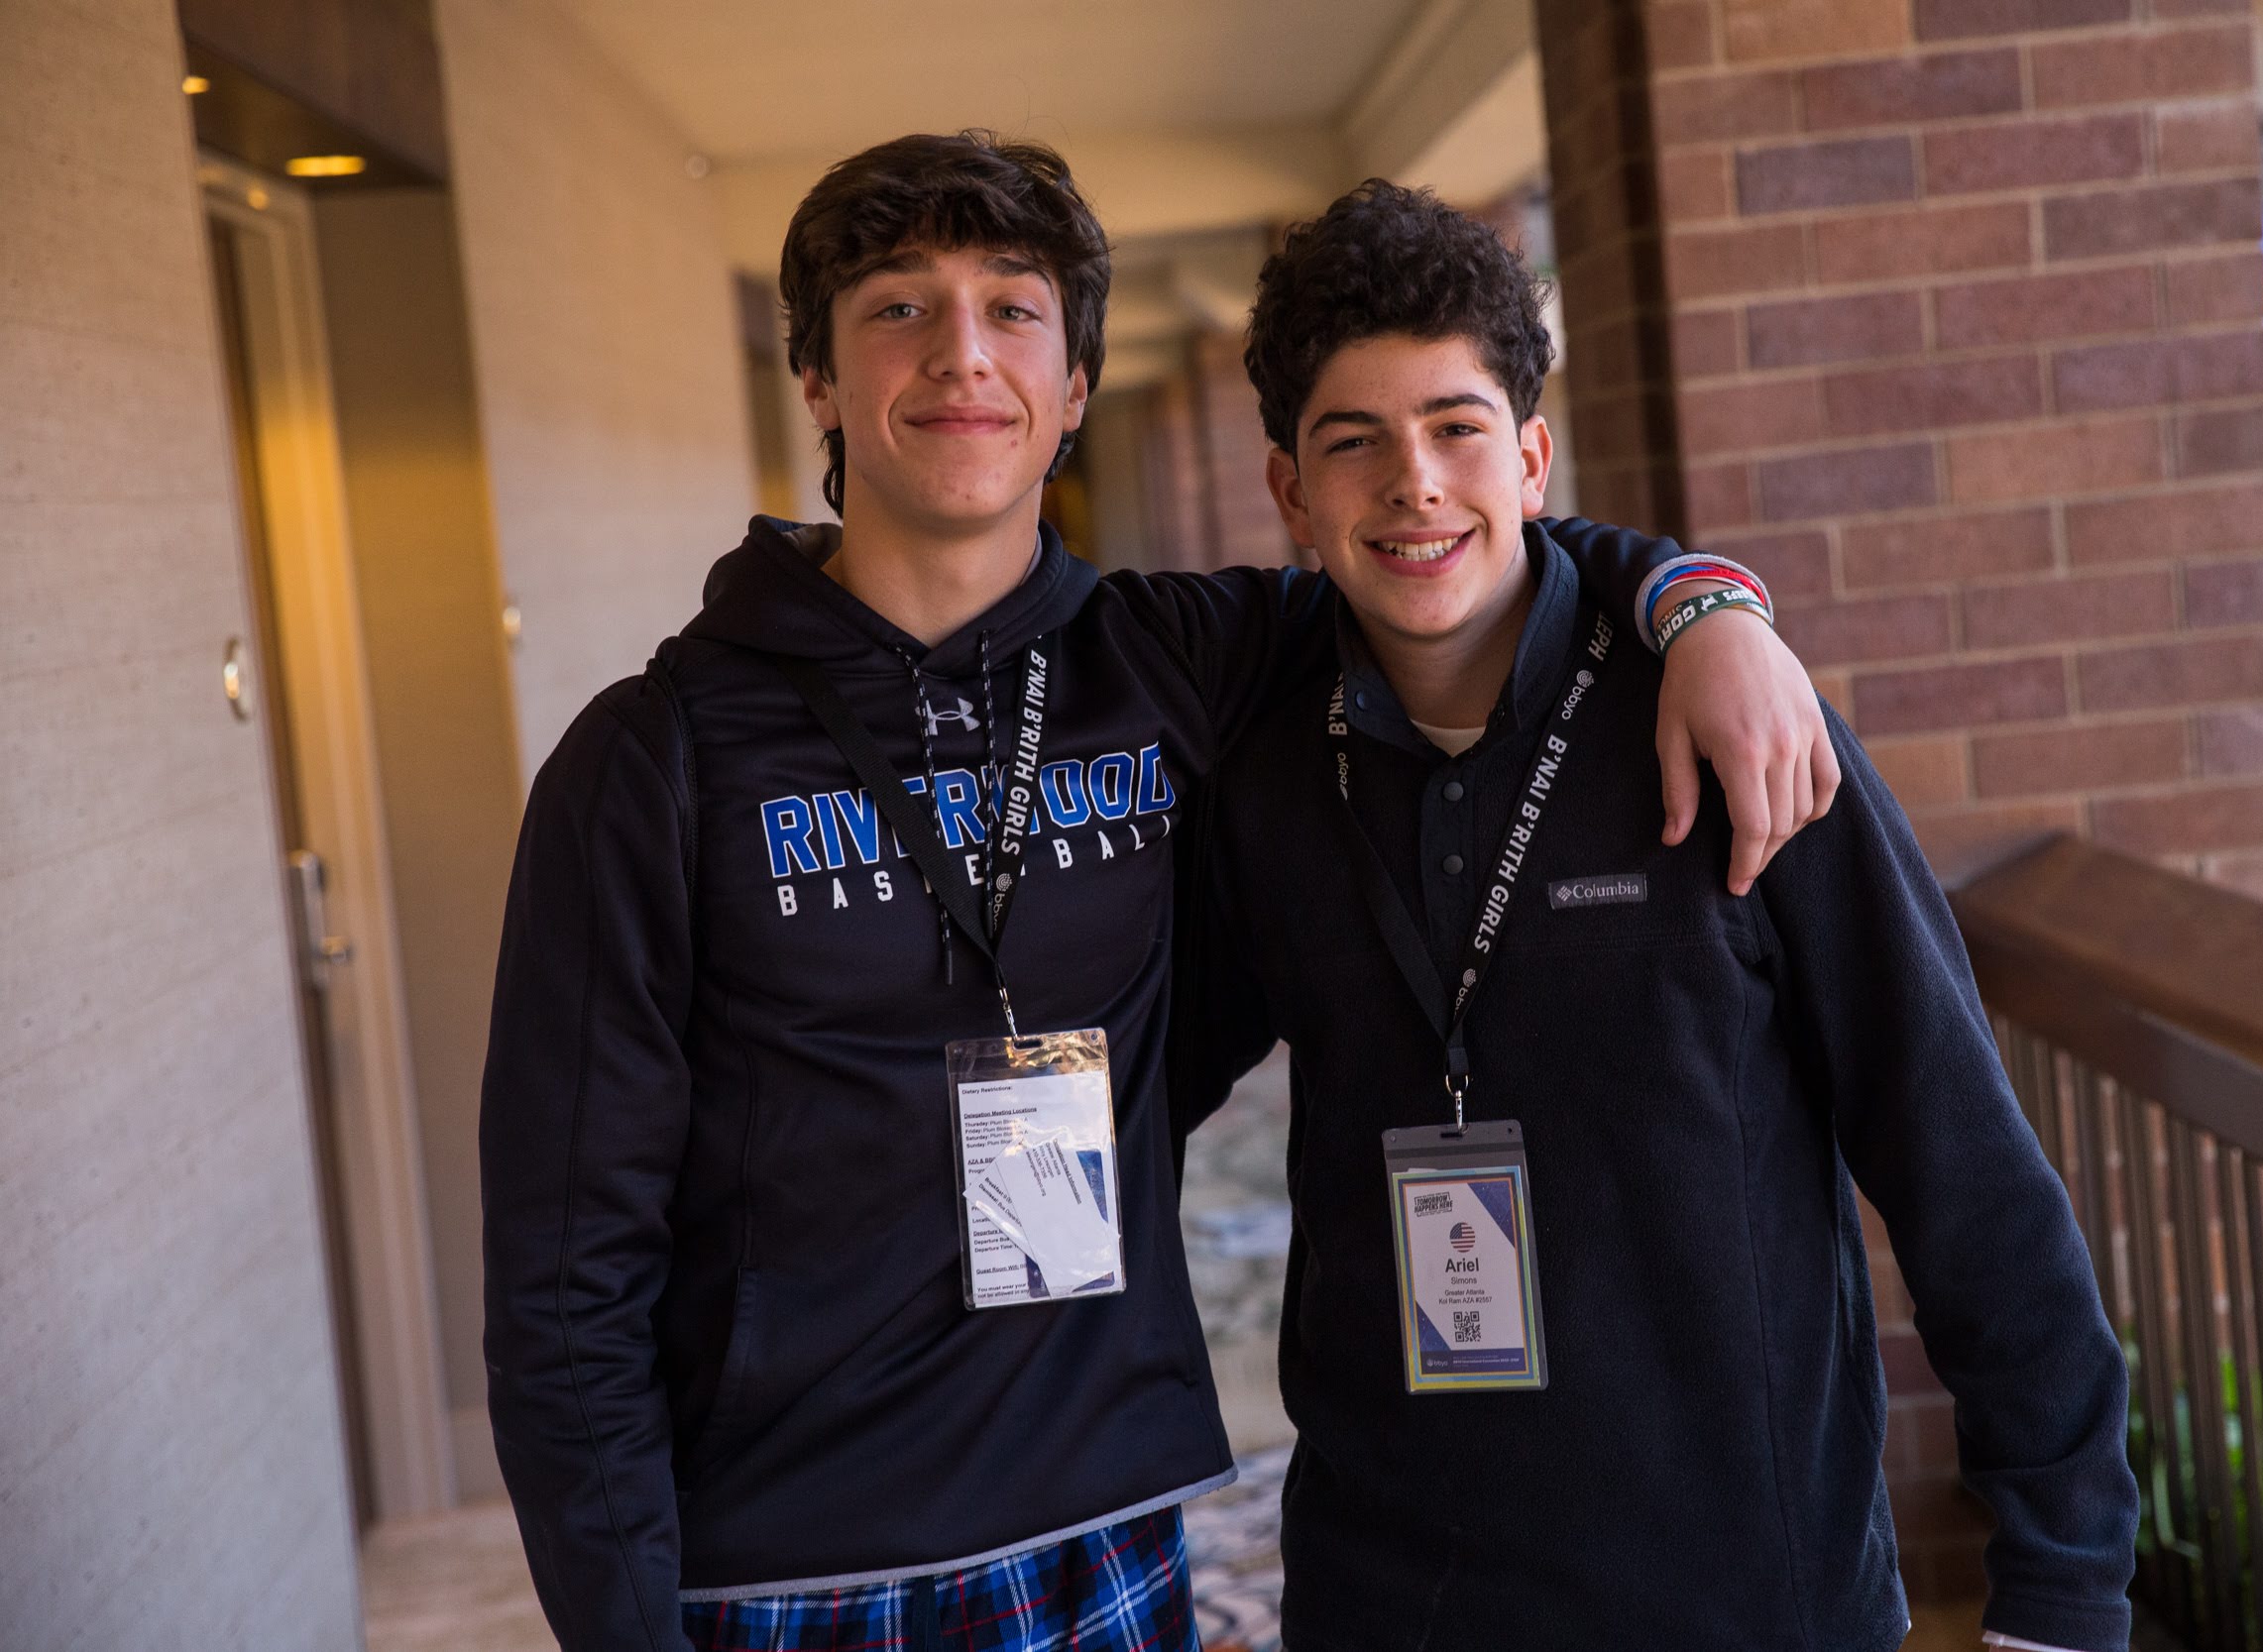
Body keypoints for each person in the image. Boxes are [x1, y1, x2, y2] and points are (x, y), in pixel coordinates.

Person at [479, 133, 1837, 1652]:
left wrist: (1700, 602)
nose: (960, 356)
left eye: (1012, 309)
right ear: (817, 379)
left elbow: (1442, 530)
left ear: (1071, 390)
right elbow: (563, 1270)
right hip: (796, 1561)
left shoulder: (1178, 662)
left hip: (1106, 1526)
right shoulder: (652, 756)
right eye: (898, 309)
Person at [1176, 181, 2138, 1652]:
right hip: (1392, 1593)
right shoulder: (1264, 767)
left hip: (1746, 1593)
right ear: (1290, 493)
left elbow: (1960, 1159)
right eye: (1352, 442)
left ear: (1533, 455)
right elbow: (1147, 1069)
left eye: (1456, 428)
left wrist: (2064, 1588)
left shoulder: (1736, 728)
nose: (1414, 484)